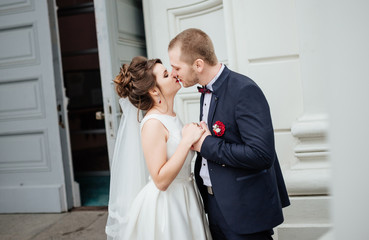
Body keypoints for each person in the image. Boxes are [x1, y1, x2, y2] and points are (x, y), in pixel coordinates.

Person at [168, 28, 290, 240]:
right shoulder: (205, 91)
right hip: (215, 205)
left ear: (198, 64)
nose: (173, 73)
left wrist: (205, 143)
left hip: (244, 208)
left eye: (176, 67)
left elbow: (261, 154)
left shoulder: (244, 90)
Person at [105, 56, 212, 240]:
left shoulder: (171, 116)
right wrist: (186, 142)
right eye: (165, 74)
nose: (173, 74)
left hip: (187, 197)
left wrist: (199, 138)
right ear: (154, 90)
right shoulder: (153, 124)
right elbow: (161, 181)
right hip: (168, 207)